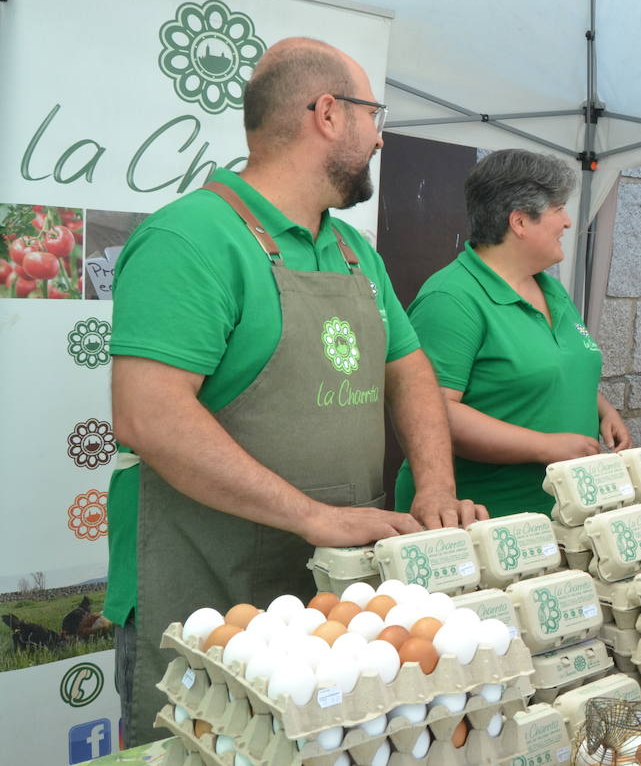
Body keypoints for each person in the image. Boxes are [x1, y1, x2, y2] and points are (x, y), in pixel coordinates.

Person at [108, 38, 486, 745]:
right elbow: (147, 416)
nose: (380, 135)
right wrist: (313, 515)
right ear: (328, 113)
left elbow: (408, 370)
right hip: (207, 601)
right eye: (374, 115)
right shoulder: (191, 238)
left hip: (323, 605)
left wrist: (433, 484)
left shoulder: (351, 250)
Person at [394, 149, 632, 519]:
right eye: (558, 210)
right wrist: (544, 447)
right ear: (519, 222)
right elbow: (430, 411)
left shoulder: (550, 290)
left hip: (557, 515)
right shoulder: (452, 298)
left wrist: (601, 409)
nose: (568, 223)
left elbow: (555, 365)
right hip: (486, 519)